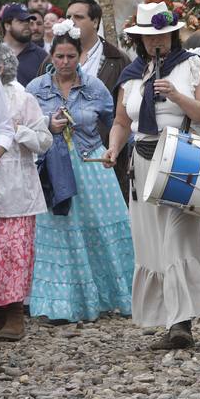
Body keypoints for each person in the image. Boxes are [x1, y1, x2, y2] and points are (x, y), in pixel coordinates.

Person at [103, 2, 200, 348]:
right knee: (153, 244)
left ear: (173, 34)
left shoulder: (192, 65)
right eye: (151, 37)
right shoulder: (131, 74)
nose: (159, 42)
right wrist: (113, 148)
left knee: (178, 240)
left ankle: (181, 324)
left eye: (165, 35)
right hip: (142, 162)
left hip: (182, 158)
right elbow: (122, 122)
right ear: (140, 40)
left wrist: (176, 95)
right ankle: (170, 318)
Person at [26, 30, 134, 322]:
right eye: (59, 56)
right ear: (51, 56)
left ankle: (114, 295)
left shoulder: (95, 86)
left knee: (103, 227)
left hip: (91, 162)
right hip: (52, 166)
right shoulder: (35, 88)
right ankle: (61, 304)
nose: (64, 62)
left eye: (71, 56)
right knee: (60, 233)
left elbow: (117, 122)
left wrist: (115, 149)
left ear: (79, 57)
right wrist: (48, 125)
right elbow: (21, 126)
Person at [0, 47, 49, 341]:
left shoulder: (23, 98)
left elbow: (44, 140)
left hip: (16, 188)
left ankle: (13, 313)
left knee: (12, 253)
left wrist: (19, 131)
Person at [62, 0, 128, 98]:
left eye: (78, 17)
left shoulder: (118, 60)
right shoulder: (53, 59)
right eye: (68, 17)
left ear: (95, 22)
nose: (71, 22)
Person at [0, 4, 46, 84]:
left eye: (28, 21)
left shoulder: (42, 57)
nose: (27, 24)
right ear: (7, 26)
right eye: (21, 21)